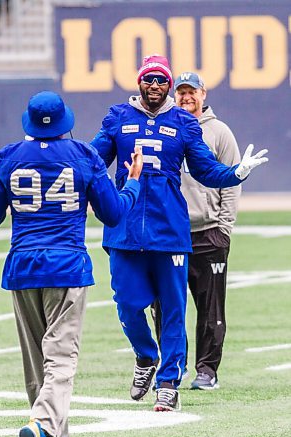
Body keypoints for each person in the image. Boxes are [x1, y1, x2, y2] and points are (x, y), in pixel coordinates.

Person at [0, 91, 143, 437]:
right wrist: (132, 183)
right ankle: (44, 427)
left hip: (22, 269)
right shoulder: (83, 156)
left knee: (37, 364)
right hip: (66, 267)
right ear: (66, 120)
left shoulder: (8, 156)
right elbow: (113, 213)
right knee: (61, 361)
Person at [91, 54, 268, 412]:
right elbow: (94, 161)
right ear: (139, 82)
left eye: (160, 80)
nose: (154, 86)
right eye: (148, 80)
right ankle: (145, 357)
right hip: (124, 229)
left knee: (173, 309)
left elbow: (206, 170)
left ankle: (169, 382)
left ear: (168, 85)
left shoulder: (185, 123)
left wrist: (236, 173)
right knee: (127, 305)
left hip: (170, 229)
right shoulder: (117, 117)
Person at [152, 71, 241, 390]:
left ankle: (207, 370)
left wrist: (224, 227)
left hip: (208, 232)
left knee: (210, 307)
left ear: (204, 94)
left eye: (193, 91)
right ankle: (174, 366)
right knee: (165, 305)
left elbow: (232, 181)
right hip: (170, 234)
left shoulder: (219, 132)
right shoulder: (167, 128)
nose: (187, 97)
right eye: (181, 92)